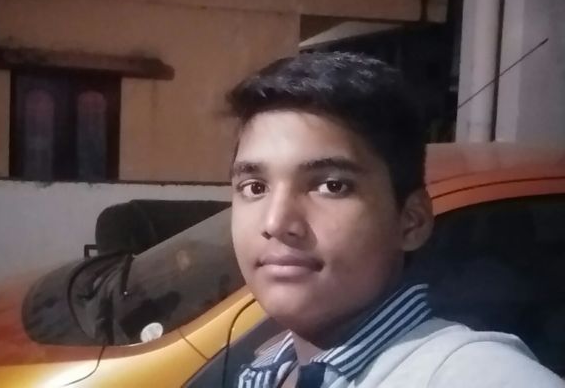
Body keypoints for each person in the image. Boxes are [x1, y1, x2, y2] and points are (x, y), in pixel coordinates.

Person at [225, 52, 563, 388]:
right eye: (255, 187)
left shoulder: (476, 375)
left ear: (411, 221)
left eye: (332, 186)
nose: (275, 222)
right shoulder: (270, 369)